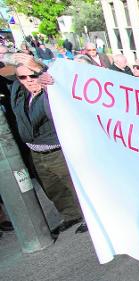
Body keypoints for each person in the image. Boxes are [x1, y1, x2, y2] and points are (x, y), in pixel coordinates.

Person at [11, 62, 88, 234]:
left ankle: (88, 217)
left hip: (57, 151)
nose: (29, 80)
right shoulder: (20, 94)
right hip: (36, 152)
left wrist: (43, 74)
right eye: (23, 77)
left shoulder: (50, 92)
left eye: (32, 75)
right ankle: (71, 215)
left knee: (73, 186)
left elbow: (56, 85)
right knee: (53, 188)